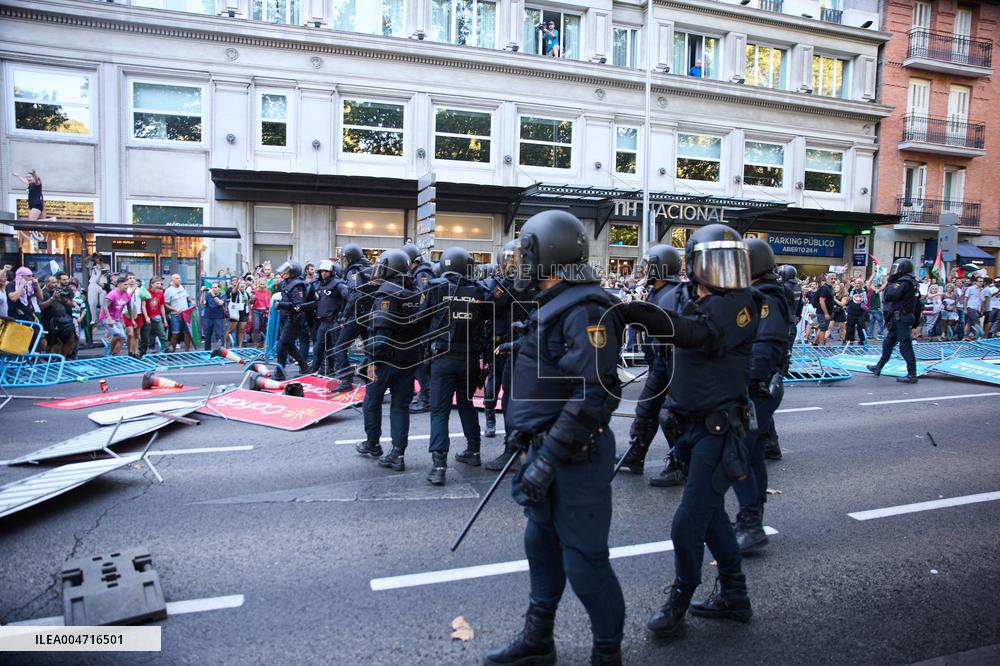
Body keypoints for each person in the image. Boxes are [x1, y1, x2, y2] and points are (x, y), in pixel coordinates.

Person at [484, 210, 625, 666]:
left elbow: (592, 395)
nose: (519, 264)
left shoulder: (586, 307)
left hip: (574, 458)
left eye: (526, 254)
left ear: (550, 255)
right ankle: (538, 640)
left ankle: (607, 654)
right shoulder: (553, 303)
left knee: (585, 564)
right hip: (545, 449)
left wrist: (548, 459)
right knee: (540, 546)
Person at [626, 223, 759, 642]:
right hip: (686, 427)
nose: (722, 272)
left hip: (720, 429)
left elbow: (702, 334)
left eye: (729, 262)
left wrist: (637, 312)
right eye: (713, 262)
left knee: (688, 522)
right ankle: (735, 596)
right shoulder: (682, 295)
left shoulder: (744, 303)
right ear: (693, 266)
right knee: (713, 515)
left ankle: (680, 600)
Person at [732, 240, 790, 553]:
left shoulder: (766, 297)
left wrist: (747, 385)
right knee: (751, 452)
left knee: (738, 452)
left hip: (759, 387)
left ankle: (751, 523)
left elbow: (766, 345)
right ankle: (749, 517)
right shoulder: (761, 293)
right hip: (759, 386)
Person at [616, 244, 686, 487]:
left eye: (650, 266)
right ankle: (636, 455)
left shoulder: (674, 293)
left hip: (672, 364)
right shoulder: (659, 291)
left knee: (671, 416)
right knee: (645, 410)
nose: (646, 271)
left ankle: (679, 464)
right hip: (659, 362)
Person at [419, 246, 490, 486]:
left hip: (442, 359)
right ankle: (474, 451)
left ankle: (439, 466)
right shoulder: (479, 291)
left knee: (439, 411)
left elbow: (421, 319)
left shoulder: (436, 287)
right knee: (466, 404)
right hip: (469, 359)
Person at [355, 250, 424, 472]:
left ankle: (373, 444)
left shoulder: (386, 294)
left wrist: (372, 361)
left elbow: (381, 332)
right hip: (409, 358)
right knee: (400, 406)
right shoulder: (416, 293)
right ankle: (398, 452)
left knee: (371, 402)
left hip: (386, 360)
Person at [866, 258, 921, 383]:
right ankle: (878, 367)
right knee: (888, 343)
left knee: (905, 346)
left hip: (902, 318)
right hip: (899, 318)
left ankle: (912, 374)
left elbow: (890, 295)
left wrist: (889, 282)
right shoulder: (910, 282)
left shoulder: (904, 282)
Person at [332, 244, 372, 392]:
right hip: (370, 315)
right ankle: (370, 381)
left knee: (339, 347)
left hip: (357, 315)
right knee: (369, 349)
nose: (343, 262)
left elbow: (355, 294)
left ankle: (346, 381)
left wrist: (344, 316)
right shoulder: (370, 268)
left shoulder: (354, 271)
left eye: (344, 258)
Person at [402, 244, 437, 414]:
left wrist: (414, 319)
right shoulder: (419, 272)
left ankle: (426, 398)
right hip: (424, 326)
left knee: (420, 363)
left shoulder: (422, 274)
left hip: (424, 327)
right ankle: (425, 396)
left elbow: (422, 300)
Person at [311, 259, 349, 375]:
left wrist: (343, 316)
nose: (323, 273)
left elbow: (348, 298)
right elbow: (317, 303)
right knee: (318, 348)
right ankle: (315, 370)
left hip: (334, 322)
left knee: (335, 349)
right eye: (322, 271)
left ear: (332, 272)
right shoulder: (319, 285)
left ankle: (338, 372)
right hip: (323, 322)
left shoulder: (338, 284)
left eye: (326, 272)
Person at [274, 260, 313, 374]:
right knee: (289, 345)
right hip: (286, 318)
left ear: (293, 272)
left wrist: (281, 305)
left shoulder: (297, 285)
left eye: (287, 271)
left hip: (294, 319)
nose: (283, 273)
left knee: (282, 345)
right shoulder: (285, 283)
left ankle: (279, 372)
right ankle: (304, 367)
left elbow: (298, 305)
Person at [163, 274, 193, 352]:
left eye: (179, 278)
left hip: (185, 313)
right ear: (172, 280)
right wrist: (174, 309)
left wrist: (192, 301)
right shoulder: (169, 290)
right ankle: (173, 351)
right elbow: (165, 304)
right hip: (175, 314)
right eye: (177, 278)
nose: (179, 280)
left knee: (187, 333)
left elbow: (187, 296)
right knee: (175, 333)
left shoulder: (182, 287)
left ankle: (187, 351)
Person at [102, 276, 131, 356]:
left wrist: (132, 319)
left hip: (116, 318)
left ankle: (115, 354)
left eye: (127, 285)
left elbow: (129, 307)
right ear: (119, 284)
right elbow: (105, 307)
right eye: (125, 285)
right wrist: (109, 319)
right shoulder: (112, 294)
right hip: (106, 317)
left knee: (122, 337)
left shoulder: (127, 295)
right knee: (117, 334)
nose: (127, 286)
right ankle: (109, 351)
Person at [144, 277, 169, 354]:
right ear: (152, 284)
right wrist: (146, 317)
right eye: (157, 283)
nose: (159, 285)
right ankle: (142, 352)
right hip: (148, 317)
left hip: (157, 316)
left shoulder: (160, 293)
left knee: (162, 334)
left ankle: (167, 350)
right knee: (145, 336)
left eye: (160, 283)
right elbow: (143, 306)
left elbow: (161, 307)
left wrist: (164, 319)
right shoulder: (146, 292)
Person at [200, 282, 227, 350]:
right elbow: (202, 303)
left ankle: (220, 351)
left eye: (215, 287)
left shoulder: (223, 295)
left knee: (219, 336)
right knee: (207, 335)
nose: (213, 289)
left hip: (219, 318)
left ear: (219, 289)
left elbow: (220, 303)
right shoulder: (208, 295)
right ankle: (207, 351)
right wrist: (202, 292)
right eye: (212, 287)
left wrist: (212, 294)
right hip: (208, 317)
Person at [813, 273, 836, 346]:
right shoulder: (824, 288)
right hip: (822, 312)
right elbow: (821, 301)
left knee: (822, 327)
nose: (833, 280)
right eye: (831, 279)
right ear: (827, 279)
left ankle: (815, 342)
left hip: (827, 312)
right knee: (823, 328)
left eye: (834, 279)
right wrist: (826, 313)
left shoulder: (830, 288)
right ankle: (822, 345)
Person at [225, 279, 249, 348]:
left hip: (243, 313)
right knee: (230, 330)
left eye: (243, 283)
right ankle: (225, 345)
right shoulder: (235, 292)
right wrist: (237, 284)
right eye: (240, 283)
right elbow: (234, 291)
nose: (242, 284)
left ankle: (240, 346)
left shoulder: (246, 293)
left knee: (241, 329)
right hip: (235, 312)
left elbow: (248, 303)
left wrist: (249, 314)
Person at [251, 277, 271, 347]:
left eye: (263, 283)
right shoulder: (254, 291)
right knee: (256, 327)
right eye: (261, 283)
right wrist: (252, 299)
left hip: (264, 311)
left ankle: (263, 342)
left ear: (265, 284)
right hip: (256, 310)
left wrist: (268, 311)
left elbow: (269, 302)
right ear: (258, 284)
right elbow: (251, 302)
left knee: (264, 327)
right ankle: (256, 343)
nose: (262, 284)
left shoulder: (268, 292)